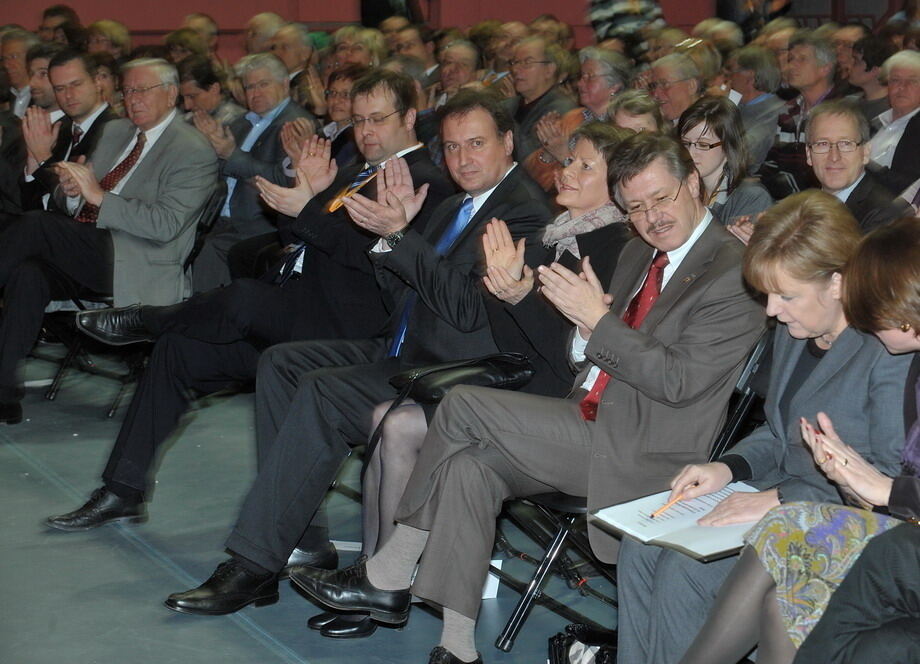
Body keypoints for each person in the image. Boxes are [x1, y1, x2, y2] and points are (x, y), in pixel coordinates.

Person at [289, 132, 765, 664]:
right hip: (583, 418)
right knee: (469, 469)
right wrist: (581, 329)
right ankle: (457, 648)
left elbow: (677, 382)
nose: (651, 216)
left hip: (650, 451)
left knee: (465, 404)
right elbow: (580, 359)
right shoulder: (638, 253)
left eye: (661, 198)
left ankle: (392, 568)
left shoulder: (733, 271)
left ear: (694, 183)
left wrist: (597, 321)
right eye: (635, 207)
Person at [159, 89, 552, 624]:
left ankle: (256, 563)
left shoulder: (522, 212)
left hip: (458, 372)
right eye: (454, 146)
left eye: (477, 143)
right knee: (282, 363)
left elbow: (465, 310)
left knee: (321, 389)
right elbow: (403, 295)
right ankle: (300, 541)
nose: (463, 158)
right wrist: (391, 240)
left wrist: (400, 238)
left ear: (508, 142)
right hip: (407, 346)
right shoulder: (460, 205)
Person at [46, 69, 453, 533]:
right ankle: (122, 489)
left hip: (348, 330)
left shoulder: (424, 183)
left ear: (409, 117)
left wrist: (310, 207)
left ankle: (146, 318)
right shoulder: (358, 172)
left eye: (378, 119)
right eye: (358, 120)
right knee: (178, 351)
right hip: (297, 311)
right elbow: (302, 242)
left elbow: (373, 264)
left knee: (241, 296)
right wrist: (310, 200)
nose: (365, 131)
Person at [307, 122, 634, 639]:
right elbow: (507, 337)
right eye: (569, 161)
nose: (564, 170)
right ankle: (375, 580)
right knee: (384, 417)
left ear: (619, 183)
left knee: (398, 424)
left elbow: (572, 359)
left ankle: (384, 579)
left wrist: (518, 296)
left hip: (557, 401)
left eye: (584, 165)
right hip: (521, 381)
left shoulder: (616, 246)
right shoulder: (555, 236)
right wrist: (510, 294)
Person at [615, 190, 912, 664]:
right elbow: (778, 432)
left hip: (836, 521)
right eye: (768, 294)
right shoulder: (798, 331)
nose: (772, 310)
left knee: (682, 571)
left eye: (786, 295)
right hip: (778, 496)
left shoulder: (888, 351)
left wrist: (775, 499)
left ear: (837, 283)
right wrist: (727, 468)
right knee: (640, 549)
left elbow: (883, 482)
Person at [0, 57, 218, 425]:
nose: (133, 99)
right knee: (28, 272)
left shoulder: (192, 150)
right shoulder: (118, 132)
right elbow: (77, 202)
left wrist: (98, 197)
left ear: (171, 93)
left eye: (142, 90)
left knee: (36, 226)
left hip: (137, 258)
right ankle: (4, 392)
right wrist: (72, 193)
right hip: (91, 246)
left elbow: (165, 225)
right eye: (128, 90)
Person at [189, 53, 314, 291]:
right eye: (249, 87)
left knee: (207, 249)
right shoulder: (242, 122)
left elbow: (283, 181)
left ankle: (206, 319)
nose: (255, 93)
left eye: (263, 84)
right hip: (220, 218)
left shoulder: (297, 124)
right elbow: (223, 166)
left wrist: (230, 153)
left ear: (284, 83)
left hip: (257, 223)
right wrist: (212, 147)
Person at [21, 49, 118, 213]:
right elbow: (30, 206)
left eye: (76, 84)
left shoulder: (116, 130)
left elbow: (81, 207)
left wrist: (44, 158)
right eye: (59, 88)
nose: (68, 95)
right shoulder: (59, 129)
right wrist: (32, 161)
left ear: (97, 82)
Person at [524, 47, 632, 190]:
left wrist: (563, 156)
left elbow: (611, 183)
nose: (580, 83)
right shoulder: (574, 117)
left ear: (614, 86)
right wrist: (548, 150)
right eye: (581, 76)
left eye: (590, 77)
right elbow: (529, 174)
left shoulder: (623, 125)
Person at [760, 31, 840, 198]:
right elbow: (772, 162)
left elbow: (822, 176)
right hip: (783, 196)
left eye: (802, 59)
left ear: (825, 68)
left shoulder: (838, 113)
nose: (791, 66)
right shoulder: (790, 109)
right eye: (791, 59)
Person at [676, 96, 772, 227]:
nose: (691, 153)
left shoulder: (752, 198)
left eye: (703, 144)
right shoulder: (682, 189)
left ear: (728, 146)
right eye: (686, 143)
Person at [505, 36, 576, 161]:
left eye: (527, 62)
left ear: (549, 69)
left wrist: (503, 123)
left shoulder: (562, 109)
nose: (515, 70)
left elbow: (531, 159)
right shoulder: (506, 106)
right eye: (515, 62)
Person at [727, 45, 786, 172]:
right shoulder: (741, 106)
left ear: (750, 76)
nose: (729, 79)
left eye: (733, 72)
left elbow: (744, 154)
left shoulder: (776, 112)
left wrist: (722, 109)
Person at [867, 49, 920, 192]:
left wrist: (864, 163)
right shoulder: (873, 123)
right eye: (895, 80)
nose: (902, 87)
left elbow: (912, 189)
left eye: (912, 81)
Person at [176, 55, 244, 127]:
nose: (187, 106)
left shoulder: (236, 121)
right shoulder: (189, 118)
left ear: (214, 89)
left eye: (192, 97)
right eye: (183, 98)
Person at [648, 52, 703, 124]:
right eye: (654, 86)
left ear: (691, 86)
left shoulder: (709, 124)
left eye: (664, 84)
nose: (655, 94)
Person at [2, 29, 39, 117]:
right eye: (4, 59)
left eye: (13, 57)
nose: (6, 65)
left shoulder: (45, 98)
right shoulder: (5, 96)